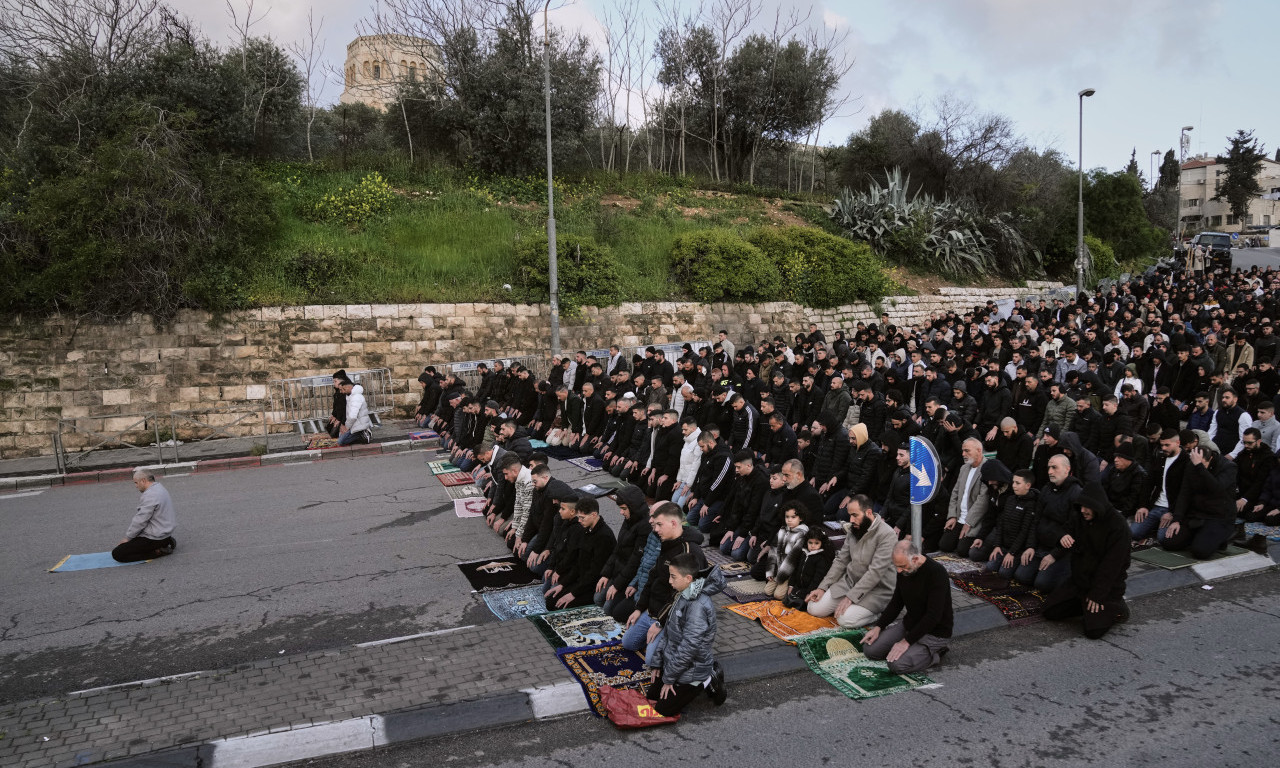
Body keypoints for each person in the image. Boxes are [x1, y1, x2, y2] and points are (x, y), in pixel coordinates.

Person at [1042, 483, 1131, 639]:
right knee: (1050, 611)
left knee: (1093, 631)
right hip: (1080, 581)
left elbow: (1112, 566)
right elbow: (1065, 530)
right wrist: (1062, 537)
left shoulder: (1118, 526)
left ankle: (1117, 607)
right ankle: (1085, 605)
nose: (1083, 510)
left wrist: (1097, 594)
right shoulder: (1080, 516)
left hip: (1105, 586)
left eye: (1087, 507)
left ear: (1097, 505)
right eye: (1081, 506)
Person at [645, 553, 727, 715]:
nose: (670, 581)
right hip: (679, 663)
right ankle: (688, 680)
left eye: (673, 577)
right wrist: (657, 663)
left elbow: (689, 647)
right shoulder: (684, 593)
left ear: (688, 578)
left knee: (663, 710)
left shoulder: (697, 606)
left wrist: (669, 678)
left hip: (693, 667)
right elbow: (668, 633)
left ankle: (708, 678)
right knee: (652, 696)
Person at [624, 503, 706, 664]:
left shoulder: (689, 552)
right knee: (628, 643)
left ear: (673, 523)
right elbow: (652, 577)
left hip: (671, 617)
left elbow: (684, 596)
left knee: (651, 661)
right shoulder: (667, 543)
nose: (656, 530)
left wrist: (660, 623)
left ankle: (674, 644)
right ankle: (659, 641)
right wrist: (639, 608)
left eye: (659, 525)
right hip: (653, 610)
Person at [805, 494, 898, 627]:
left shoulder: (887, 534)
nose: (851, 520)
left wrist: (851, 597)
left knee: (844, 619)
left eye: (855, 515)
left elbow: (875, 573)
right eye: (850, 515)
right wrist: (822, 587)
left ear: (868, 512)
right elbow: (841, 560)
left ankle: (879, 614)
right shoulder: (854, 528)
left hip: (876, 591)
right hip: (850, 583)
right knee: (813, 607)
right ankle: (850, 606)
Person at [862, 540, 954, 674]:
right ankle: (912, 649)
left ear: (915, 559)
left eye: (902, 566)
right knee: (870, 650)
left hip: (935, 632)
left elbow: (933, 616)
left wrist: (906, 642)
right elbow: (896, 602)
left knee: (896, 665)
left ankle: (936, 653)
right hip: (910, 625)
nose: (899, 570)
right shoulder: (904, 571)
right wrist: (878, 627)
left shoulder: (936, 573)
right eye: (896, 566)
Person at [111, 469, 177, 562]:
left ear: (143, 481)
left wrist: (128, 538)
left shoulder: (150, 495)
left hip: (155, 538)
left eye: (136, 483)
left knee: (117, 553)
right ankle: (167, 541)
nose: (136, 486)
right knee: (137, 539)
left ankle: (157, 552)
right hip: (165, 532)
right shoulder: (160, 487)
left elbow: (140, 520)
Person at [751, 502, 809, 597]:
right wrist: (771, 572)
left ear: (801, 518)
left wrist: (780, 577)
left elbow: (792, 559)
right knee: (767, 591)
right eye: (787, 517)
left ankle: (791, 586)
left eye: (793, 517)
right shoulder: (782, 530)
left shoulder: (801, 534)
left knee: (778, 595)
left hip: (789, 573)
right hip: (778, 569)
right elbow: (773, 552)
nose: (789, 520)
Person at [337, 379, 372, 446]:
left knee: (341, 441)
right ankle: (360, 436)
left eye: (343, 389)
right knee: (340, 435)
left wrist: (346, 427)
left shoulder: (356, 397)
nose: (342, 392)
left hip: (359, 426)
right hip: (354, 425)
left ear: (349, 387)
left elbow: (352, 416)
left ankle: (364, 433)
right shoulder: (350, 396)